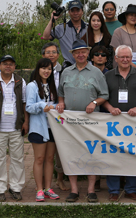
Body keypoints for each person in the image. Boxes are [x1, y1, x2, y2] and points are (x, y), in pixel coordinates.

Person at [56, 40, 109, 203]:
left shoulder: (96, 73)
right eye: (77, 52)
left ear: (88, 54)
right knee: (71, 155)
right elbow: (60, 92)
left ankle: (91, 190)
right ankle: (74, 190)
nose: (80, 54)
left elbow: (105, 95)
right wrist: (61, 102)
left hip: (90, 122)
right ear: (72, 55)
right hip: (70, 123)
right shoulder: (66, 72)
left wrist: (94, 103)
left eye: (83, 52)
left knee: (90, 155)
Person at [103, 45, 136, 202]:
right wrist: (110, 108)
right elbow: (101, 96)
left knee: (133, 155)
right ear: (116, 58)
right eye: (122, 57)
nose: (125, 60)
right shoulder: (108, 76)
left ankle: (131, 189)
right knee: (112, 156)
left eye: (128, 57)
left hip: (134, 123)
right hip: (112, 124)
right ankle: (113, 190)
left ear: (132, 59)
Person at [0, 55, 28, 202]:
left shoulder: (21, 81)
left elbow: (24, 103)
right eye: (5, 64)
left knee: (18, 159)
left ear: (14, 67)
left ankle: (15, 188)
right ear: (0, 65)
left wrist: (25, 121)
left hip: (16, 127)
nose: (8, 66)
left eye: (11, 64)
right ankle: (0, 189)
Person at [25, 58, 60, 202]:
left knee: (50, 159)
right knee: (39, 158)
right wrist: (42, 106)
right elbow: (29, 107)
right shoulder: (32, 86)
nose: (46, 71)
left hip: (52, 127)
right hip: (38, 128)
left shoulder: (53, 86)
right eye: (43, 68)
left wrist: (56, 106)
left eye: (49, 69)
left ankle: (48, 188)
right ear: (38, 69)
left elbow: (58, 103)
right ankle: (39, 189)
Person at [40, 42, 68, 191]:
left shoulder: (64, 71)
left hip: (59, 113)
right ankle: (44, 182)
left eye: (54, 52)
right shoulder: (39, 71)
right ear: (43, 55)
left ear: (58, 55)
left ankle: (60, 179)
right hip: (43, 115)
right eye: (48, 52)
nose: (51, 54)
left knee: (60, 150)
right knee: (43, 151)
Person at [42, 0, 88, 67]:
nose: (75, 13)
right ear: (69, 12)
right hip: (68, 67)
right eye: (72, 11)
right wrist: (52, 20)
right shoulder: (61, 28)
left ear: (82, 12)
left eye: (77, 10)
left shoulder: (89, 27)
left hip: (86, 65)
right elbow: (45, 36)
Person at [111, 4, 136, 70]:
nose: (133, 17)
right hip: (122, 68)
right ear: (126, 16)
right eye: (131, 15)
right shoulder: (118, 32)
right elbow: (117, 52)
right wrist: (133, 66)